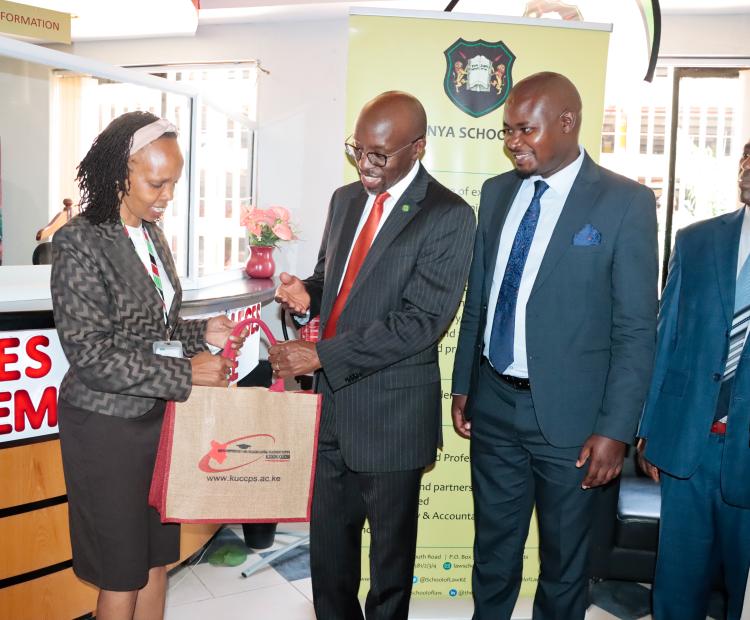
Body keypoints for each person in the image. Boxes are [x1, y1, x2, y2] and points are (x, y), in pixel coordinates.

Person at [450, 72, 658, 619]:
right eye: (507, 131)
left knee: (565, 564)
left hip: (573, 423)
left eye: (525, 129)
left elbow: (636, 329)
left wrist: (617, 430)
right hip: (493, 403)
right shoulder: (497, 193)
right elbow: (482, 297)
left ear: (567, 123)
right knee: (492, 552)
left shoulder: (625, 203)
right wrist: (464, 384)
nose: (513, 141)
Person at [270, 91, 475, 620]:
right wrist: (307, 293)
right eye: (357, 150)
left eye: (379, 154)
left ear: (418, 149)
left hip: (392, 416)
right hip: (331, 407)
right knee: (329, 553)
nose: (365, 164)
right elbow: (332, 280)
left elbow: (421, 322)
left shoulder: (449, 215)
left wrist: (319, 356)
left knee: (389, 565)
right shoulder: (344, 201)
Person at [51, 111, 243, 620]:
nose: (167, 195)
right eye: (157, 183)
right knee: (122, 572)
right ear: (121, 174)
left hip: (157, 421)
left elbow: (154, 332)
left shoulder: (152, 236)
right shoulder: (80, 242)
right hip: (106, 429)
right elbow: (92, 354)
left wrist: (200, 334)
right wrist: (189, 373)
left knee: (157, 560)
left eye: (174, 183)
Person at [637, 139, 750, 620]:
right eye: (747, 155)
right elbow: (668, 340)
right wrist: (650, 429)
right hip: (688, 447)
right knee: (676, 592)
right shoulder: (697, 240)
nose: (747, 166)